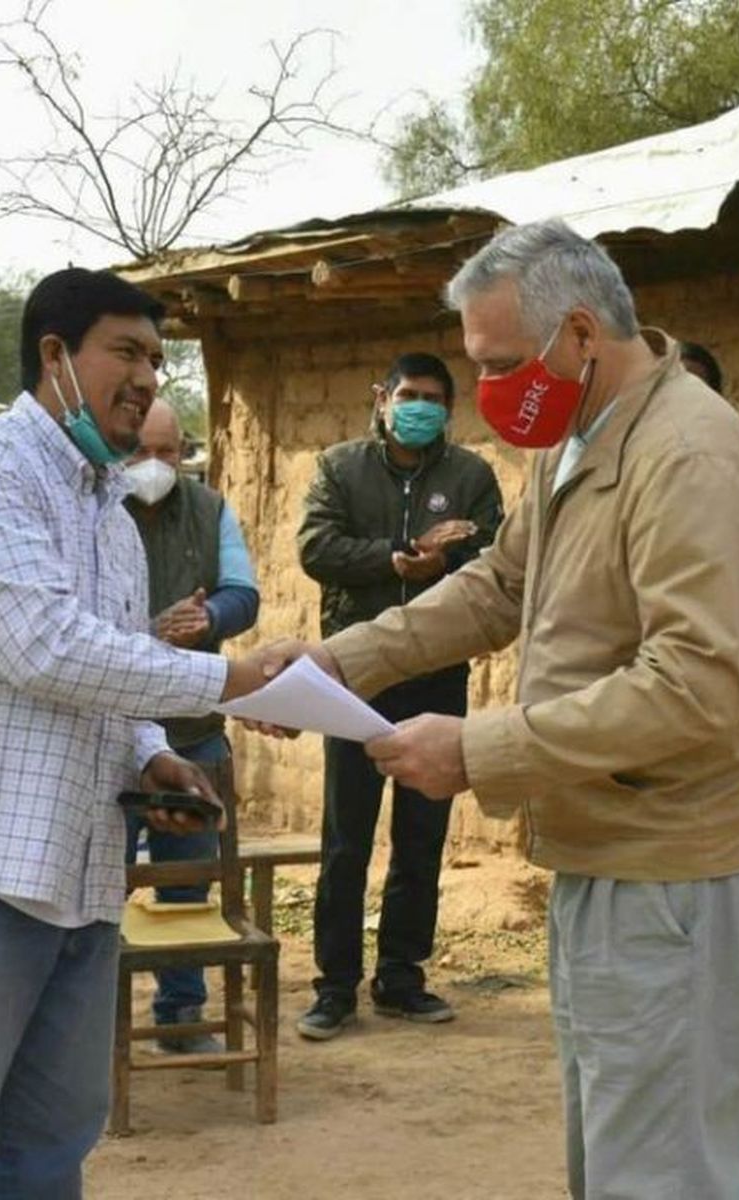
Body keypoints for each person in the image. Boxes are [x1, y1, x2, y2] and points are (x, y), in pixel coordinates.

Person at [256, 220, 739, 1198]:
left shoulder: (689, 456)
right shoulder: (574, 443)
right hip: (612, 847)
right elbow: (499, 587)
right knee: (618, 1160)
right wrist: (340, 661)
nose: (492, 389)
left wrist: (480, 750)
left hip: (681, 870)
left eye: (503, 363)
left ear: (582, 334)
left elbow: (696, 684)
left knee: (661, 1173)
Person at [0, 268, 278, 1198]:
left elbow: (108, 678)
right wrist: (230, 677)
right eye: (124, 353)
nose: (146, 380)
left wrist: (155, 755)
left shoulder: (111, 521)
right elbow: (44, 649)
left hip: (81, 876)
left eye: (155, 360)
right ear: (55, 355)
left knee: (47, 1161)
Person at [294, 351, 503, 1040]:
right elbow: (317, 548)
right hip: (358, 675)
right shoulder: (340, 467)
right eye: (408, 394)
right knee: (346, 837)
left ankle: (402, 978)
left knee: (422, 835)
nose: (419, 407)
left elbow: (499, 562)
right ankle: (334, 986)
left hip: (439, 675)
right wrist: (394, 554)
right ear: (382, 397)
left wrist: (450, 562)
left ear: (451, 406)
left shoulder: (470, 476)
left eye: (434, 398)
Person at [123, 397, 261, 1053]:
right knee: (97, 883)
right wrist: (144, 631)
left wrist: (207, 621)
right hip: (110, 728)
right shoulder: (94, 510)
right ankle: (91, 1021)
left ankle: (182, 1013)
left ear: (184, 452)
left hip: (191, 726)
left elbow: (242, 591)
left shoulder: (209, 510)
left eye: (167, 452)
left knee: (190, 878)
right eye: (140, 452)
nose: (153, 465)